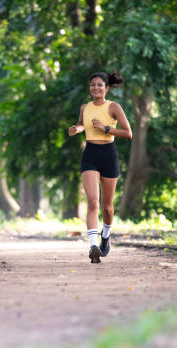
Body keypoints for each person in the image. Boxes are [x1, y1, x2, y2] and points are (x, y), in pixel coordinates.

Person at [68, 71, 132, 263]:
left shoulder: (113, 107)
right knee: (93, 202)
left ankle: (105, 235)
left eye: (99, 85)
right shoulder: (84, 107)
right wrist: (77, 128)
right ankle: (93, 245)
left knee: (107, 208)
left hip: (109, 155)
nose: (95, 88)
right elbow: (82, 124)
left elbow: (128, 133)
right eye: (92, 85)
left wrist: (106, 128)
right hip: (90, 155)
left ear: (106, 87)